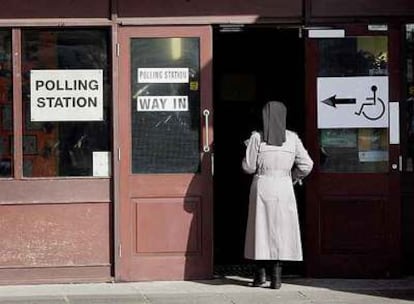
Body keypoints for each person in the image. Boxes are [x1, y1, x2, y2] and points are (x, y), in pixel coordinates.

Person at [242, 101, 313, 289]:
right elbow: (307, 164)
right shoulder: (292, 138)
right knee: (281, 231)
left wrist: (247, 149)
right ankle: (277, 278)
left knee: (260, 230)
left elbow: (248, 167)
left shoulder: (257, 137)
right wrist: (292, 177)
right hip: (283, 186)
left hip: (263, 185)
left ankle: (259, 276)